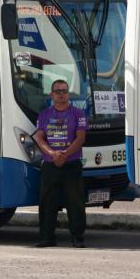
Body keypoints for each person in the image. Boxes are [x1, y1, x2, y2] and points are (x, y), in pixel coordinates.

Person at [32, 78, 87, 248]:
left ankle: (77, 237)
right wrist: (52, 153)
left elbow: (81, 138)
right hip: (50, 165)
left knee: (76, 202)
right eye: (58, 91)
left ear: (68, 94)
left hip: (72, 164)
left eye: (64, 91)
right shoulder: (44, 115)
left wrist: (64, 154)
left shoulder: (78, 114)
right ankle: (47, 237)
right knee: (47, 202)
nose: (61, 94)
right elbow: (38, 137)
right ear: (52, 95)